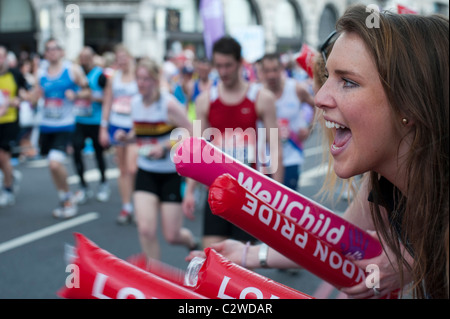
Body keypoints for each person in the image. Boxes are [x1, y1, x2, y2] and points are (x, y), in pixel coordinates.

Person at [188, 5, 449, 299]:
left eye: (347, 82)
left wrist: (416, 260)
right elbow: (335, 236)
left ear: (409, 104)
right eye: (326, 79)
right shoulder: (383, 180)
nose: (320, 97)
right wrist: (249, 255)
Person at [183, 36, 283, 249]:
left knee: (242, 263)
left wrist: (278, 193)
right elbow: (198, 149)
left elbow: (274, 147)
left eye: (228, 65)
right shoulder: (205, 100)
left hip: (250, 191)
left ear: (239, 63)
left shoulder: (261, 97)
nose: (224, 71)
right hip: (217, 187)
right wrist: (190, 191)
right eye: (219, 66)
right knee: (212, 256)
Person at [114, 57, 197, 260]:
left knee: (172, 236)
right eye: (139, 79)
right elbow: (142, 130)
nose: (141, 83)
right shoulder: (134, 103)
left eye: (146, 79)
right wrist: (127, 137)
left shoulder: (168, 104)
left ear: (155, 80)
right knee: (145, 230)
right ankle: (155, 280)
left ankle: (193, 243)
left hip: (170, 173)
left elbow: (191, 133)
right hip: (146, 172)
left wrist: (165, 146)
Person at [33, 39, 90, 218]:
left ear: (62, 51)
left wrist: (76, 94)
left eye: (55, 48)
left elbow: (88, 91)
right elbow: (35, 97)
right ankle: (64, 196)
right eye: (48, 49)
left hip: (65, 124)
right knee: (51, 166)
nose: (52, 52)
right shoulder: (41, 72)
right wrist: (29, 97)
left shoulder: (72, 70)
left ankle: (67, 198)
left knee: (54, 163)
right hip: (46, 125)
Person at [261, 53, 315, 191]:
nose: (271, 75)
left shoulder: (296, 88)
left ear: (281, 69)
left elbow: (316, 106)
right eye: (267, 71)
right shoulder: (258, 93)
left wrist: (309, 128)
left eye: (274, 70)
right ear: (262, 72)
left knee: (286, 202)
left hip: (291, 157)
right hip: (265, 159)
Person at [99, 44, 139, 224]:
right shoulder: (113, 78)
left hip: (135, 127)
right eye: (118, 59)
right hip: (117, 124)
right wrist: (103, 127)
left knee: (133, 168)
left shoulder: (138, 77)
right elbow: (107, 102)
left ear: (130, 58)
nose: (122, 61)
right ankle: (126, 206)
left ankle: (139, 204)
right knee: (122, 169)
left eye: (124, 58)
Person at [72, 46, 110, 204]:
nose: (84, 59)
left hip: (95, 120)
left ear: (93, 57)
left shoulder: (100, 76)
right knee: (76, 151)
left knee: (98, 153)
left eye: (87, 56)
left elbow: (108, 97)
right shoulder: (75, 73)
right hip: (79, 120)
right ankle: (83, 186)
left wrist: (91, 96)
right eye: (82, 56)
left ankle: (103, 183)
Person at [0, 45, 29, 207]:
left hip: (10, 121)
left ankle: (8, 189)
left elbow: (27, 92)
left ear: (5, 58)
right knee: (2, 159)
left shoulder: (15, 74)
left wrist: (18, 100)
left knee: (4, 156)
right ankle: (11, 175)